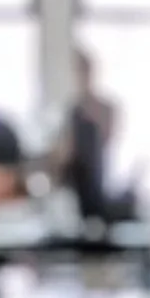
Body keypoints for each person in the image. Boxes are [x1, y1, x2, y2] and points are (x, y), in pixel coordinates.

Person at [51, 49, 126, 231]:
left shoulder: (105, 107)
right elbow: (64, 151)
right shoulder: (72, 109)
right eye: (76, 72)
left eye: (83, 71)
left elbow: (109, 138)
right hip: (73, 190)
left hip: (97, 185)